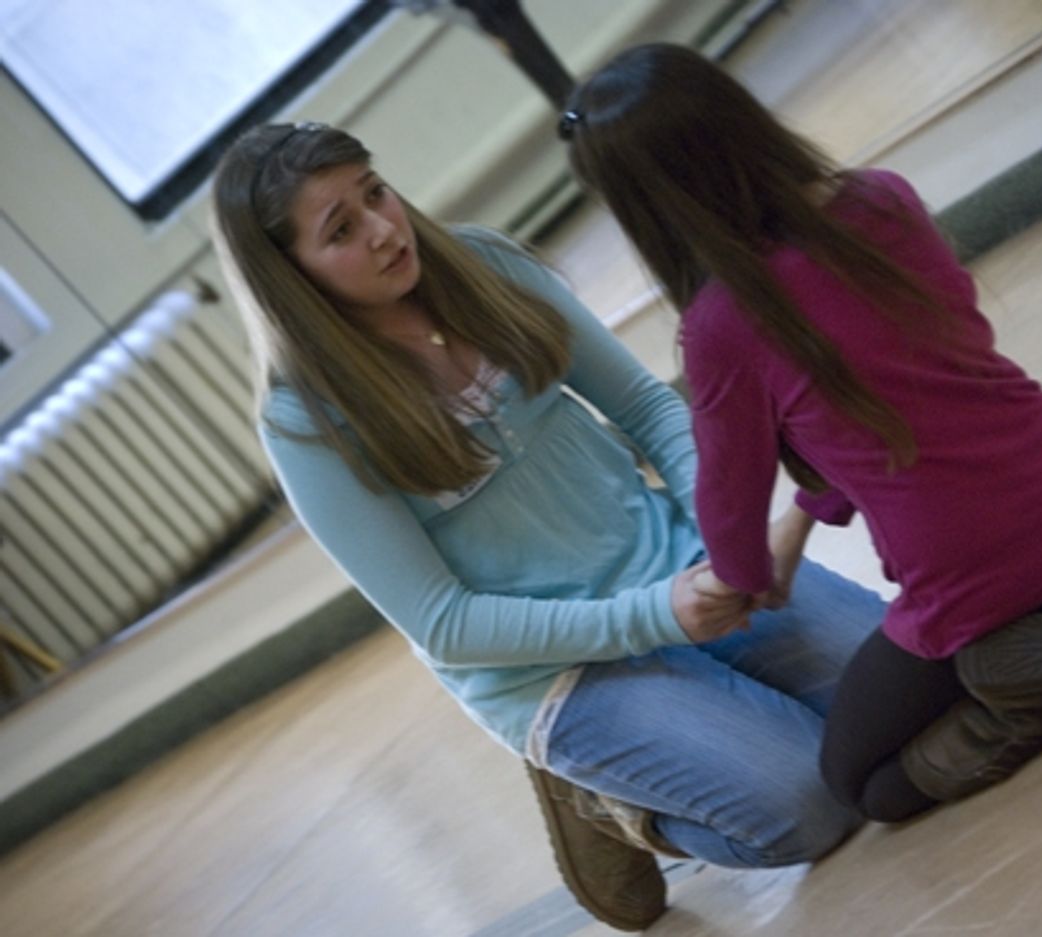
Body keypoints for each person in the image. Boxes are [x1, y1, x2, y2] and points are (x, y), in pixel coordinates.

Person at [210, 121, 895, 931]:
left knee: (905, 701)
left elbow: (646, 406)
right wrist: (657, 615)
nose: (386, 228)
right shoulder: (303, 423)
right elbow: (443, 622)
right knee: (809, 806)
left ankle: (696, 725)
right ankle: (612, 807)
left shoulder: (484, 264)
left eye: (375, 191)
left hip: (677, 567)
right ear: (292, 278)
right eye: (342, 230)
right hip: (556, 673)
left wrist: (724, 533)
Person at [559, 44, 1042, 823]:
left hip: (975, 578)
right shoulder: (880, 199)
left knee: (862, 782)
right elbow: (900, 398)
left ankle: (1035, 693)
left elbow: (729, 502)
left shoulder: (724, 322)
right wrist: (802, 527)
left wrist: (744, 572)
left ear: (649, 204)